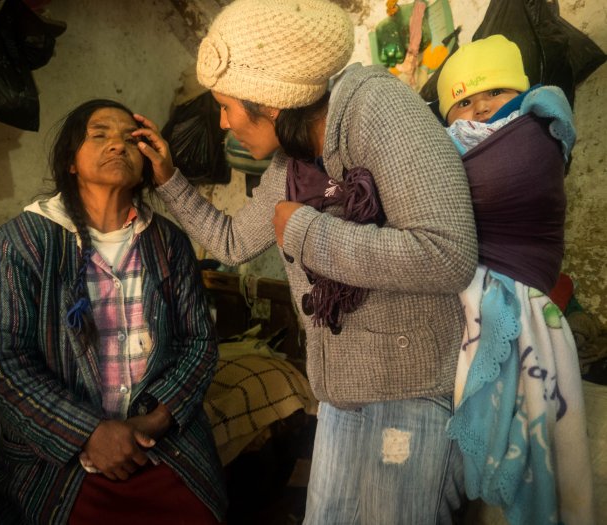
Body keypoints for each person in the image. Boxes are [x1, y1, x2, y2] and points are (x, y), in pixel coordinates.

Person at [134, 0, 478, 523]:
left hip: (407, 390)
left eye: (226, 106)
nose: (224, 124)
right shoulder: (293, 159)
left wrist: (307, 231)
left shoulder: (379, 109)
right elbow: (231, 242)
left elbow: (447, 254)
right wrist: (168, 181)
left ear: (269, 102)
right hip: (340, 392)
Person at [0, 99, 227, 524]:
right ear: (70, 161)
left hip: (158, 446)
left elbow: (199, 343)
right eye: (100, 135)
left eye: (130, 139)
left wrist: (155, 421)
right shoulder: (25, 240)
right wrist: (87, 432)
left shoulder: (169, 243)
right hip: (60, 456)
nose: (117, 145)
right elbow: (0, 361)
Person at [436, 35, 595, 524]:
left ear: (522, 94)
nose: (481, 108)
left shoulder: (534, 134)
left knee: (535, 423)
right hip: (468, 296)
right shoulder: (443, 148)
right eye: (463, 101)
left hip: (519, 294)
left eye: (496, 93)